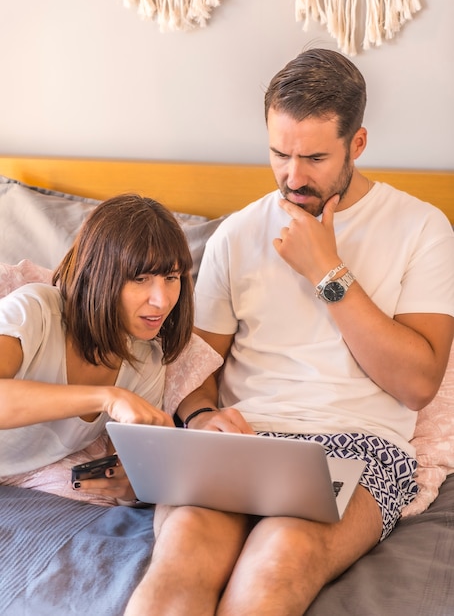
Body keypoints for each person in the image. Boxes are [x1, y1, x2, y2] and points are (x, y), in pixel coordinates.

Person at [125, 49, 454, 615]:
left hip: (360, 443)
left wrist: (328, 273)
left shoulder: (422, 227)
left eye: (315, 158)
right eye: (280, 153)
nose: (293, 177)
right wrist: (203, 418)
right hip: (245, 441)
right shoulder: (236, 234)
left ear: (358, 143)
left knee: (278, 563)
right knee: (180, 559)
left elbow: (418, 384)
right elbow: (191, 372)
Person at [0, 193, 194, 503]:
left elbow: (125, 469)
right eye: (140, 278)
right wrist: (108, 397)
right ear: (97, 274)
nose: (162, 300)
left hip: (33, 475)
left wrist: (130, 482)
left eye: (171, 277)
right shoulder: (34, 311)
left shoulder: (147, 362)